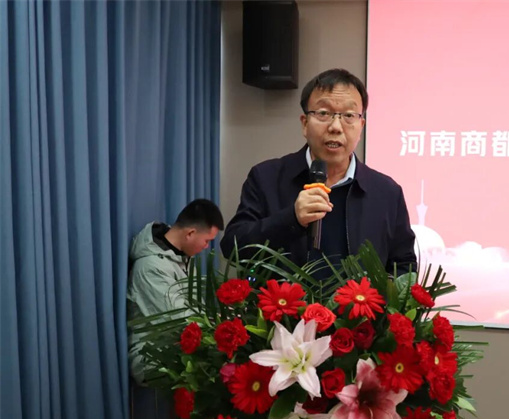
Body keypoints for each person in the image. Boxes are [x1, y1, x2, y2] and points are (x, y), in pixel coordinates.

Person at [220, 68, 416, 277]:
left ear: (361, 126)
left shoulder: (387, 193)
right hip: (284, 300)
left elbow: (404, 267)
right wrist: (291, 219)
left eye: (349, 116)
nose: (336, 127)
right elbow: (233, 249)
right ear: (305, 124)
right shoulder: (266, 177)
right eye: (323, 113)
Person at [127, 198, 224, 384]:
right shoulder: (150, 267)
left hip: (177, 343)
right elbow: (177, 321)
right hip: (151, 354)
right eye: (207, 241)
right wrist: (220, 324)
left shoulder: (183, 258)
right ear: (190, 233)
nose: (206, 247)